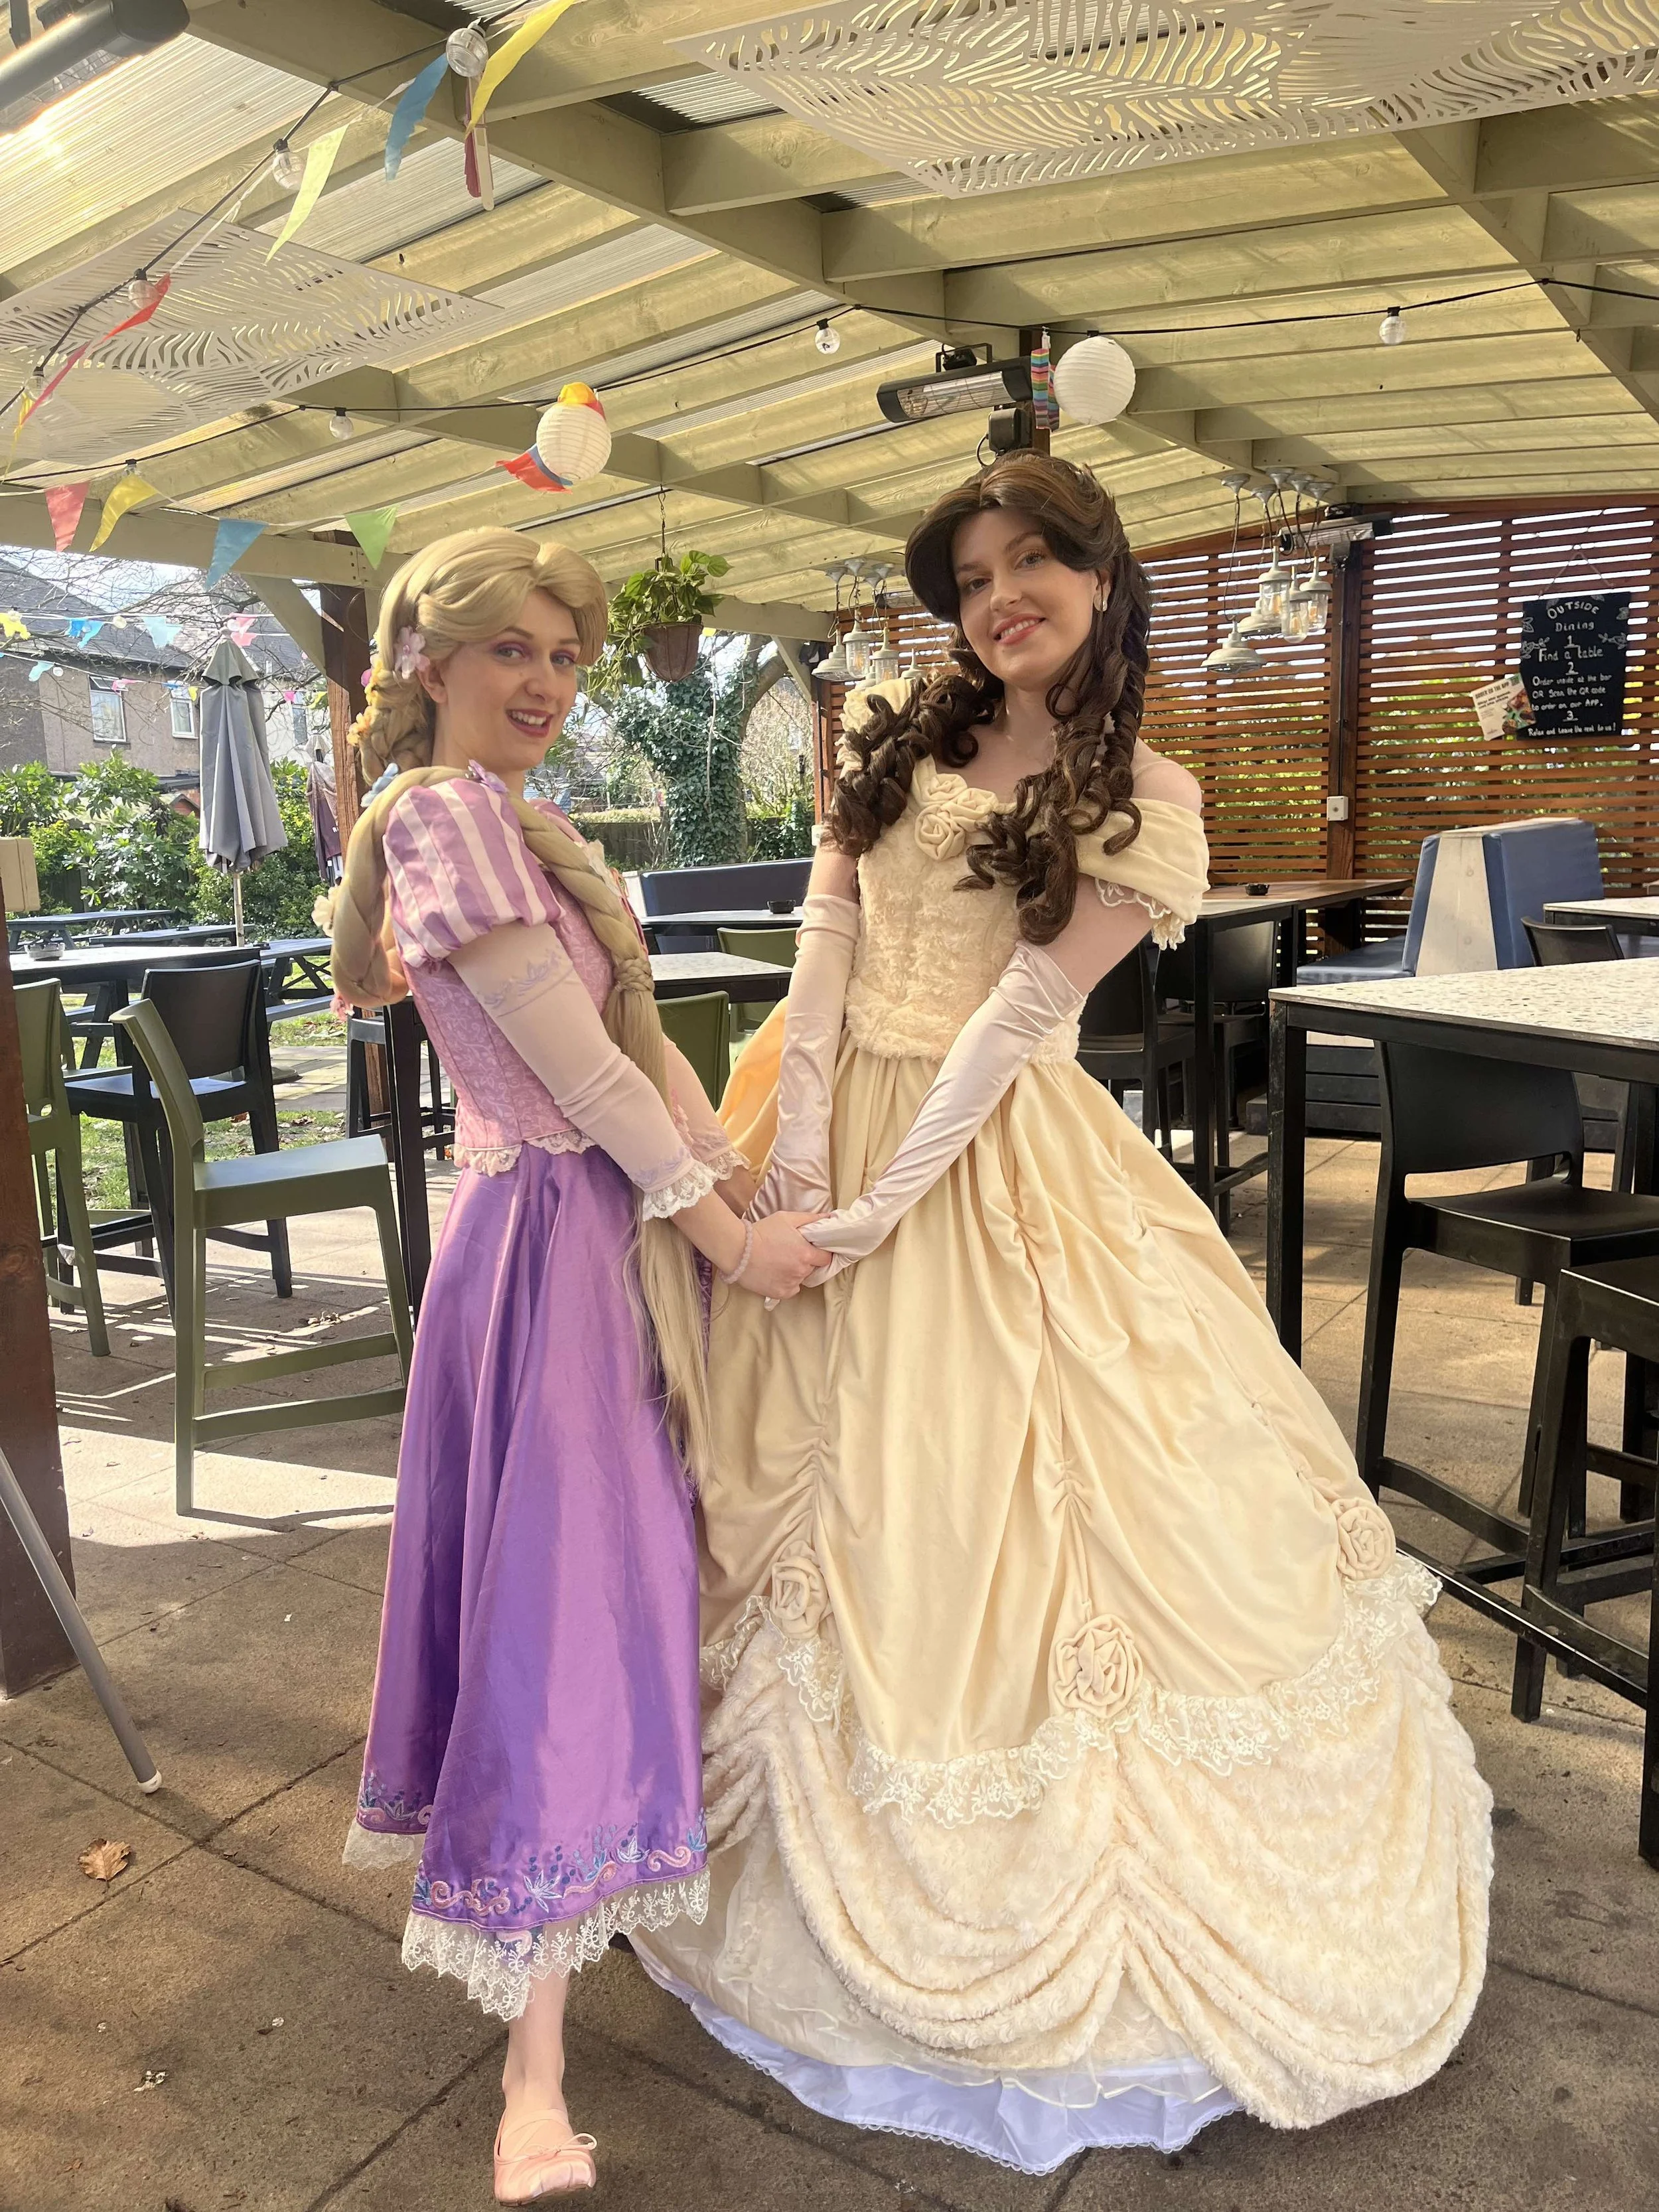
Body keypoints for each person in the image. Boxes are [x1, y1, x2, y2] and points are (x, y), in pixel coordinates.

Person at [637, 457, 1492, 2170]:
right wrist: (798, 1143)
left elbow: (1022, 1017)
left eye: (1033, 561)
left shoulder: (1144, 789)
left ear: (1106, 580)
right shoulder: (889, 726)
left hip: (991, 1150)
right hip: (809, 1118)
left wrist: (885, 1200)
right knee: (788, 1471)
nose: (998, 593)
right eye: (969, 574)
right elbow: (822, 938)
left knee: (1039, 1489)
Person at [326, 528, 824, 2202]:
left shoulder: (513, 819)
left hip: (586, 1237)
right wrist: (725, 1232)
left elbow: (637, 1054)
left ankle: (637, 1897)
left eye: (562, 656)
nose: (543, 682)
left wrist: (726, 1167)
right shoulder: (448, 820)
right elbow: (571, 1071)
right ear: (431, 667)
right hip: (550, 1256)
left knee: (611, 1604)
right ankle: (529, 2079)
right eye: (510, 653)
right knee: (554, 1629)